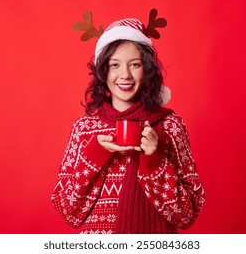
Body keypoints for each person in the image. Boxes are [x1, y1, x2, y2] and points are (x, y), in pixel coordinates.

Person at [51, 17, 205, 234]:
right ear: (103, 71)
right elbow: (67, 210)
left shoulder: (170, 126)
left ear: (147, 69)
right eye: (115, 65)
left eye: (135, 64)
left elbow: (187, 215)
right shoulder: (84, 129)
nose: (125, 75)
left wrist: (154, 162)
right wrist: (95, 154)